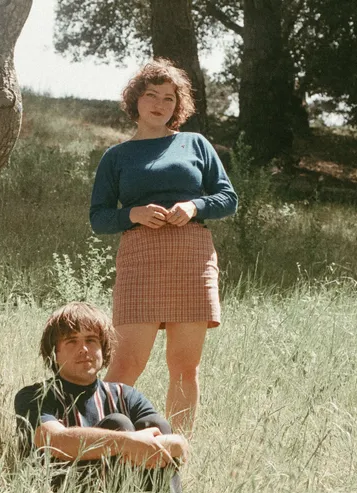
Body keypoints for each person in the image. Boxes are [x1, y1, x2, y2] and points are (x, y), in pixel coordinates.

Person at [89, 58, 238, 431]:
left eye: (169, 98)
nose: (159, 104)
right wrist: (133, 214)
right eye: (151, 95)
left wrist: (194, 206)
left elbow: (228, 198)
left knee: (185, 367)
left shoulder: (195, 144)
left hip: (192, 257)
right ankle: (95, 442)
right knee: (126, 363)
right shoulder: (116, 156)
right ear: (135, 100)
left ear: (178, 105)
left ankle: (176, 449)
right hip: (140, 258)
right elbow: (99, 218)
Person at [14, 302, 188, 493]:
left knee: (153, 423)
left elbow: (177, 445)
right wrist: (128, 442)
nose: (83, 349)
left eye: (91, 340)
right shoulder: (34, 395)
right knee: (118, 423)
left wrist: (167, 444)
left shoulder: (125, 395)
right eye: (71, 341)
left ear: (103, 349)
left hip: (130, 491)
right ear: (54, 353)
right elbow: (53, 440)